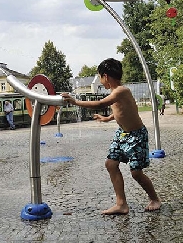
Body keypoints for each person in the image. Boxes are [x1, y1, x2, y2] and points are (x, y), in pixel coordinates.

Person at [61, 58, 161, 214]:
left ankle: (154, 199)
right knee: (110, 164)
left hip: (136, 136)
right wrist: (107, 118)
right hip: (122, 135)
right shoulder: (116, 93)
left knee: (136, 173)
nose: (101, 81)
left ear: (105, 76)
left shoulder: (121, 91)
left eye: (100, 77)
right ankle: (121, 204)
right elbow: (122, 112)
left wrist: (75, 102)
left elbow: (101, 104)